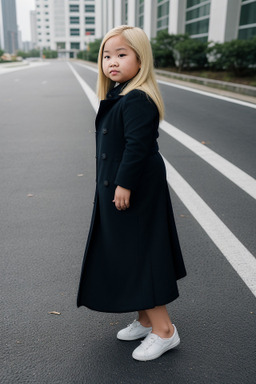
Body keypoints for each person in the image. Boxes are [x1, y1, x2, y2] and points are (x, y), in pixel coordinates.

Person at [77, 25, 186, 361]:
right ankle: (144, 318)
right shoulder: (119, 94)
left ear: (141, 60)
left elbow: (138, 147)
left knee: (141, 253)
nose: (112, 62)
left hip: (134, 188)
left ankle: (164, 330)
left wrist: (124, 184)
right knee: (126, 251)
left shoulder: (137, 98)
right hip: (118, 185)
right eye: (107, 56)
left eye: (121, 55)